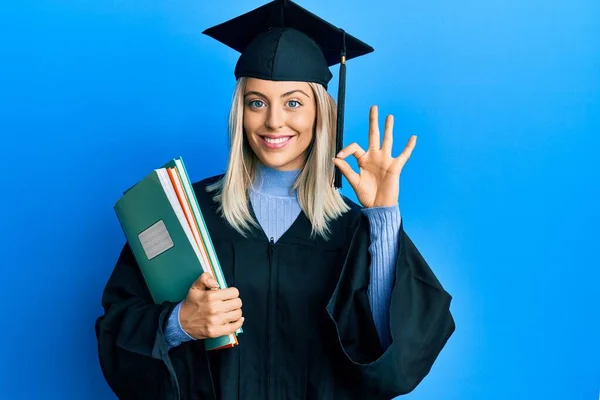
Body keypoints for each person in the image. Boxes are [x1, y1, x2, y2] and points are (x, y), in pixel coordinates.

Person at [94, 0, 455, 399]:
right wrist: (180, 322)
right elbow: (117, 328)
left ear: (321, 114)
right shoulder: (187, 212)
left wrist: (383, 216)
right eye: (257, 102)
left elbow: (395, 352)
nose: (274, 121)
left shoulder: (352, 226)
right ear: (240, 111)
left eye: (294, 102)